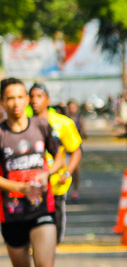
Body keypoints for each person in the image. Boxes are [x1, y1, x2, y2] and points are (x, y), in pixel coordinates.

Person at [0, 78, 65, 267]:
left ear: (28, 99)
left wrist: (47, 173)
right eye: (9, 98)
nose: (16, 103)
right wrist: (19, 188)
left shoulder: (41, 126)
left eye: (20, 97)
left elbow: (60, 155)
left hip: (42, 209)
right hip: (12, 215)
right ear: (3, 103)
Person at [28, 84, 82, 247]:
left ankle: (51, 250)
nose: (35, 101)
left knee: (55, 227)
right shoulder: (24, 122)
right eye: (32, 96)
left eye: (39, 96)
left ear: (48, 100)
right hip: (32, 185)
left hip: (56, 184)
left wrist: (68, 173)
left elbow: (76, 151)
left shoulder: (62, 123)